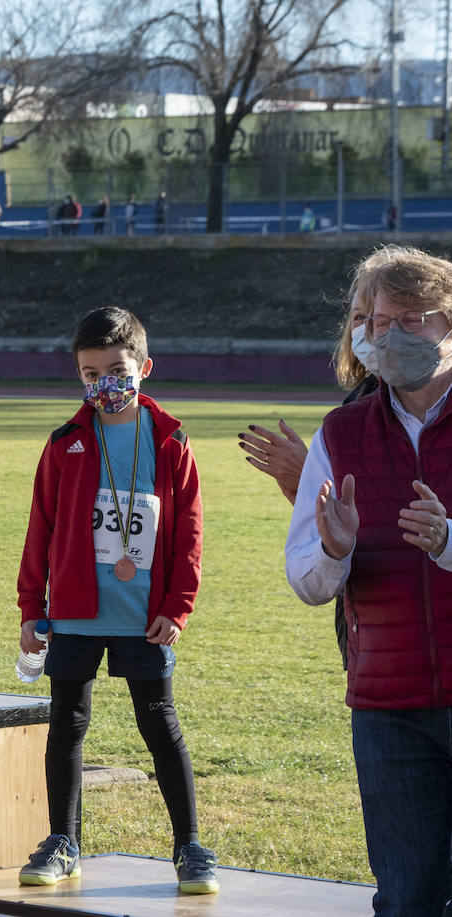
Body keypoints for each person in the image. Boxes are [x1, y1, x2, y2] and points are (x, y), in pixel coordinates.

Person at [16, 306, 216, 895]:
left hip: (144, 618)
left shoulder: (172, 443)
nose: (105, 383)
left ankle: (190, 846)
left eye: (117, 370)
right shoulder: (65, 443)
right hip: (75, 614)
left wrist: (178, 607)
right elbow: (40, 529)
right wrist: (33, 609)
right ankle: (63, 840)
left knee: (160, 726)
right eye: (90, 372)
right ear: (78, 375)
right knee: (66, 727)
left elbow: (191, 534)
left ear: (144, 368)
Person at [285, 245, 452, 916]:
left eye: (414, 319)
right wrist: (335, 549)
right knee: (407, 897)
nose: (392, 335)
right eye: (380, 321)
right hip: (390, 712)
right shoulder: (341, 432)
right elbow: (307, 578)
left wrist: (448, 541)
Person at [238, 280, 379, 668]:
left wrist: (311, 479)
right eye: (358, 318)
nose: (369, 328)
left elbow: (390, 510)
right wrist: (307, 492)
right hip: (363, 626)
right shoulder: (355, 405)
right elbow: (336, 534)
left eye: (382, 317)